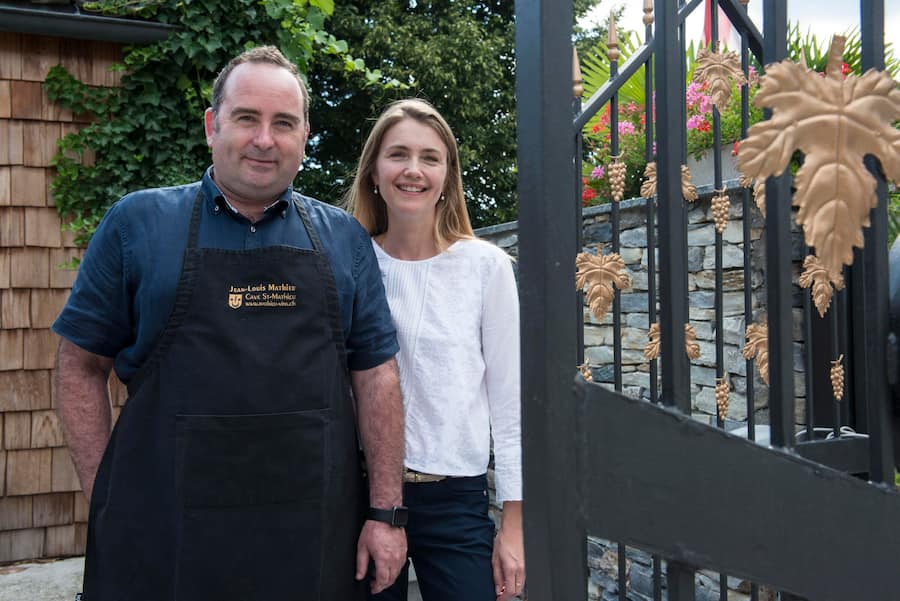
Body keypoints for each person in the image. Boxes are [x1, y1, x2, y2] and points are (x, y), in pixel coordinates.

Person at [53, 46, 407, 600]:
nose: (265, 139)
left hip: (312, 540)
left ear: (304, 136)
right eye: (247, 118)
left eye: (283, 123)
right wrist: (108, 495)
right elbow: (79, 364)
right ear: (212, 125)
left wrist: (386, 514)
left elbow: (377, 376)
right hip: (164, 536)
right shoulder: (138, 224)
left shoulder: (343, 238)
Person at [345, 98, 525, 601]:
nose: (413, 170)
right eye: (398, 154)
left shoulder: (486, 268)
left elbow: (510, 406)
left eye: (430, 157)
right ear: (374, 172)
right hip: (362, 495)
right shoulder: (349, 264)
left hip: (456, 499)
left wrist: (513, 527)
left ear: (448, 176)